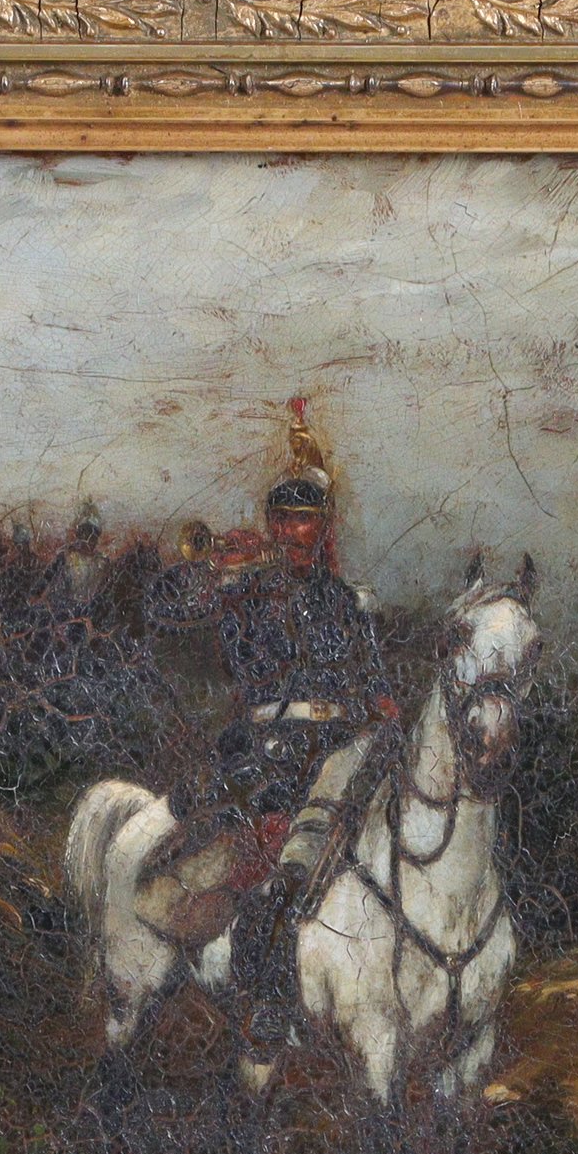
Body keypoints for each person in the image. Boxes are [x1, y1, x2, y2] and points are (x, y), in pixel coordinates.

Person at [145, 420, 398, 1043]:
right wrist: (213, 566)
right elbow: (162, 608)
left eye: (302, 522)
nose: (289, 533)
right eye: (280, 521)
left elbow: (373, 688)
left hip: (336, 749)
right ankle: (255, 991)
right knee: (245, 857)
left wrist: (380, 715)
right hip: (266, 752)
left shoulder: (348, 602)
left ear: (323, 528)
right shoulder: (245, 590)